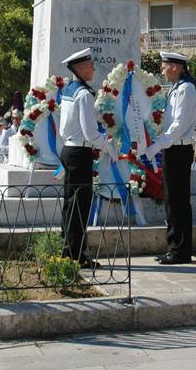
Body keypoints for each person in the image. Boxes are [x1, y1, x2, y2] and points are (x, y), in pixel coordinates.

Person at [59, 48, 118, 268]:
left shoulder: (69, 90)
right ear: (81, 68)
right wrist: (109, 147)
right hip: (79, 152)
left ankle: (68, 251)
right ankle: (76, 255)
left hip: (70, 150)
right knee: (79, 205)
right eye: (90, 64)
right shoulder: (83, 94)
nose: (93, 67)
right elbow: (90, 133)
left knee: (70, 204)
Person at [144, 51, 196, 265]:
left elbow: (179, 125)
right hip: (171, 149)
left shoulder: (186, 89)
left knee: (178, 201)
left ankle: (181, 250)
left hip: (179, 150)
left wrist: (157, 144)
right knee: (171, 201)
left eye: (164, 66)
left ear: (176, 66)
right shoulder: (176, 89)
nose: (162, 70)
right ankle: (173, 246)